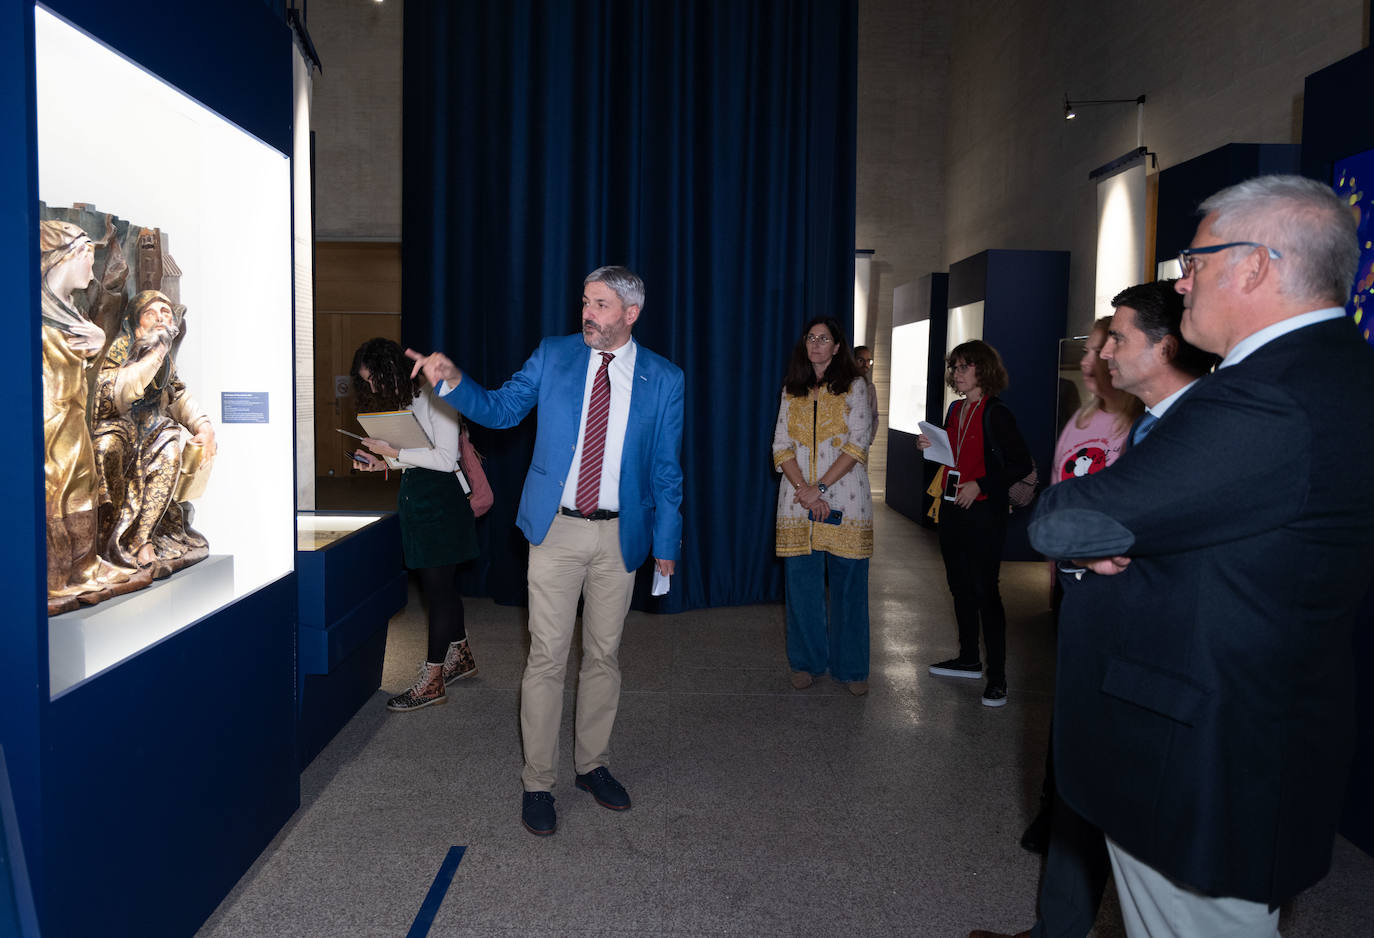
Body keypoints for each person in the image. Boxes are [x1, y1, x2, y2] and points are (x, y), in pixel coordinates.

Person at [1028, 175, 1374, 938]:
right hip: (1262, 725)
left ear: (1253, 266)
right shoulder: (1342, 370)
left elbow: (1064, 520)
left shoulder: (1263, 396)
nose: (1183, 281)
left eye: (1195, 259)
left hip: (1204, 746)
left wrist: (1116, 531)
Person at [973, 281, 1215, 938]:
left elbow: (1076, 517)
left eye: (1119, 337)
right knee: (1081, 788)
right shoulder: (1153, 423)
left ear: (1164, 347)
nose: (1104, 351)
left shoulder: (1199, 427)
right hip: (1104, 637)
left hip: (1157, 658)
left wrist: (1079, 528)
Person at [407, 265, 684, 837]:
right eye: (585, 302)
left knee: (604, 657)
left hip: (620, 535)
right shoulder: (555, 355)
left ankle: (592, 765)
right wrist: (453, 380)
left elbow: (666, 470)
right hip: (556, 530)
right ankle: (538, 782)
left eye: (601, 305)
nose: (588, 313)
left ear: (631, 314)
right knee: (547, 657)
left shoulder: (665, 378)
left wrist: (667, 544)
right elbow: (502, 409)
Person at [349, 338, 479, 712]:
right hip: (420, 506)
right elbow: (417, 460)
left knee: (437, 593)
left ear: (391, 370)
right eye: (367, 381)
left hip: (442, 508)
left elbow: (444, 458)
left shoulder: (438, 397)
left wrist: (394, 452)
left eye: (374, 378)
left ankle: (433, 679)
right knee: (441, 588)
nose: (372, 387)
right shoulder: (408, 402)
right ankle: (462, 656)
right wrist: (381, 463)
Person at [918, 340, 1031, 707]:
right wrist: (930, 445)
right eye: (955, 367)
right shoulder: (956, 409)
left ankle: (997, 677)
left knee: (987, 592)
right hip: (952, 507)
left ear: (983, 370)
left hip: (984, 511)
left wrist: (981, 483)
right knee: (960, 586)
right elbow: (954, 454)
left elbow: (1020, 463)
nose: (957, 373)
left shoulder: (996, 412)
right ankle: (968, 659)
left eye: (964, 366)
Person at [39, 220, 143, 613]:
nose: (92, 267)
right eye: (88, 255)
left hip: (73, 420)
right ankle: (56, 576)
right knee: (56, 493)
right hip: (50, 424)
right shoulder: (37, 315)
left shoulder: (70, 312)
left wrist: (99, 341)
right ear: (66, 257)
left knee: (83, 486)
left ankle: (84, 568)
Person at [772, 317, 874, 696]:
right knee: (801, 586)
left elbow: (858, 443)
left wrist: (821, 487)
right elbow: (780, 445)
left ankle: (852, 668)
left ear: (836, 346)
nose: (816, 344)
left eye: (824, 339)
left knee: (849, 586)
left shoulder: (855, 386)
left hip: (845, 496)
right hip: (796, 501)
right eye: (811, 338)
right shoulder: (791, 389)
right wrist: (804, 489)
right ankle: (806, 662)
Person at [92, 290, 215, 574]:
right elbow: (120, 391)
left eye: (166, 314)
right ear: (136, 322)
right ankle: (108, 543)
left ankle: (142, 538)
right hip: (118, 425)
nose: (161, 318)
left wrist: (203, 425)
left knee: (170, 447)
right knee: (105, 450)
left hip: (151, 427)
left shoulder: (166, 358)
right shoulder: (122, 348)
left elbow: (176, 396)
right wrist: (158, 351)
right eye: (152, 313)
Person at [853, 344, 879, 447]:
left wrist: (870, 440)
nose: (866, 365)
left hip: (862, 444)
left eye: (868, 361)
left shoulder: (870, 387)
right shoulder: (844, 385)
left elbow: (874, 416)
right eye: (861, 360)